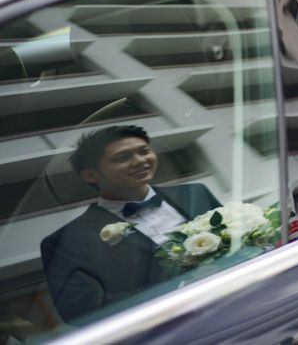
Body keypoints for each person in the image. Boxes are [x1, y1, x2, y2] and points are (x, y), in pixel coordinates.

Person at [40, 125, 221, 323]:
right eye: (122, 158)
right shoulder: (66, 241)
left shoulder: (196, 194)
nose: (141, 161)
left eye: (144, 151)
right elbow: (83, 312)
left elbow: (239, 243)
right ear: (91, 175)